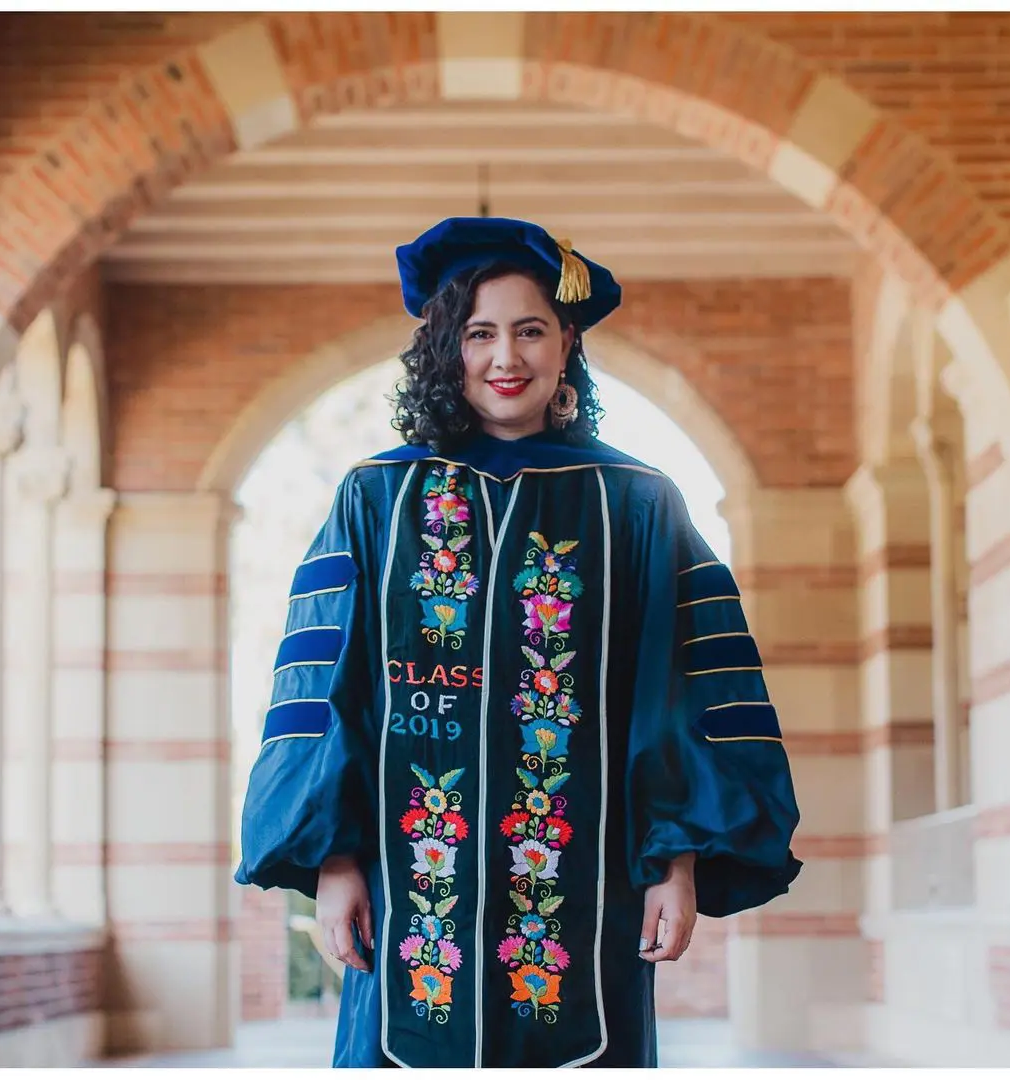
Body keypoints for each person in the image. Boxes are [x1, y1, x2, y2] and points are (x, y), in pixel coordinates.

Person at [235, 217, 802, 1069]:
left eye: (530, 330)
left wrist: (675, 863)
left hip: (591, 885)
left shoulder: (637, 503)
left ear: (567, 343)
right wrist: (334, 861)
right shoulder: (377, 500)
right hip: (408, 883)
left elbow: (680, 693)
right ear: (446, 349)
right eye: (480, 333)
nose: (507, 357)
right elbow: (324, 694)